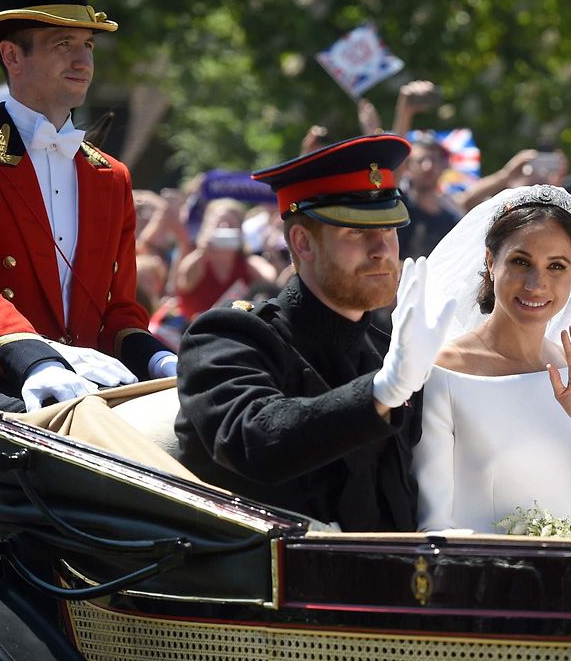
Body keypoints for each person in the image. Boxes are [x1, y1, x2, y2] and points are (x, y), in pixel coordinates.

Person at [175, 135, 456, 531]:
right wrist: (382, 392)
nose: (382, 250)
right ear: (302, 242)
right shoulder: (231, 335)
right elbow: (255, 440)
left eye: (389, 229)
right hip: (265, 585)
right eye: (357, 232)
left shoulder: (386, 351)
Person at [0, 0, 177, 411]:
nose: (83, 61)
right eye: (62, 44)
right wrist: (37, 361)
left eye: (87, 45)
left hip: (90, 393)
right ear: (11, 55)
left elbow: (119, 313)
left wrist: (163, 361)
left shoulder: (112, 176)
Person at [414, 184, 571, 534]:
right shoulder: (443, 372)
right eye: (521, 262)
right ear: (491, 262)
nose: (536, 283)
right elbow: (432, 525)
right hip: (478, 578)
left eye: (556, 266)